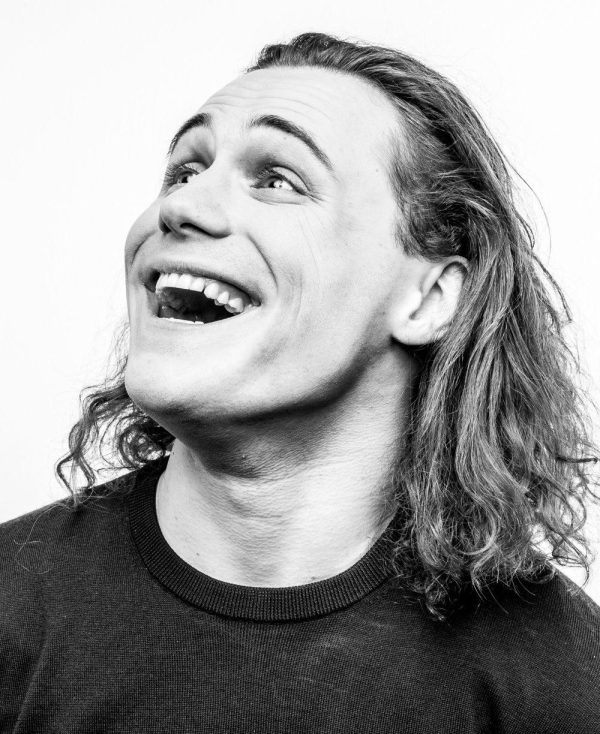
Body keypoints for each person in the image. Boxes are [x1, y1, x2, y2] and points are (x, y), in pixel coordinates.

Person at [1, 31, 599, 733]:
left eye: (277, 180)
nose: (181, 207)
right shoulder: (12, 607)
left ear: (428, 299)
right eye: (184, 171)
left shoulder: (560, 682)